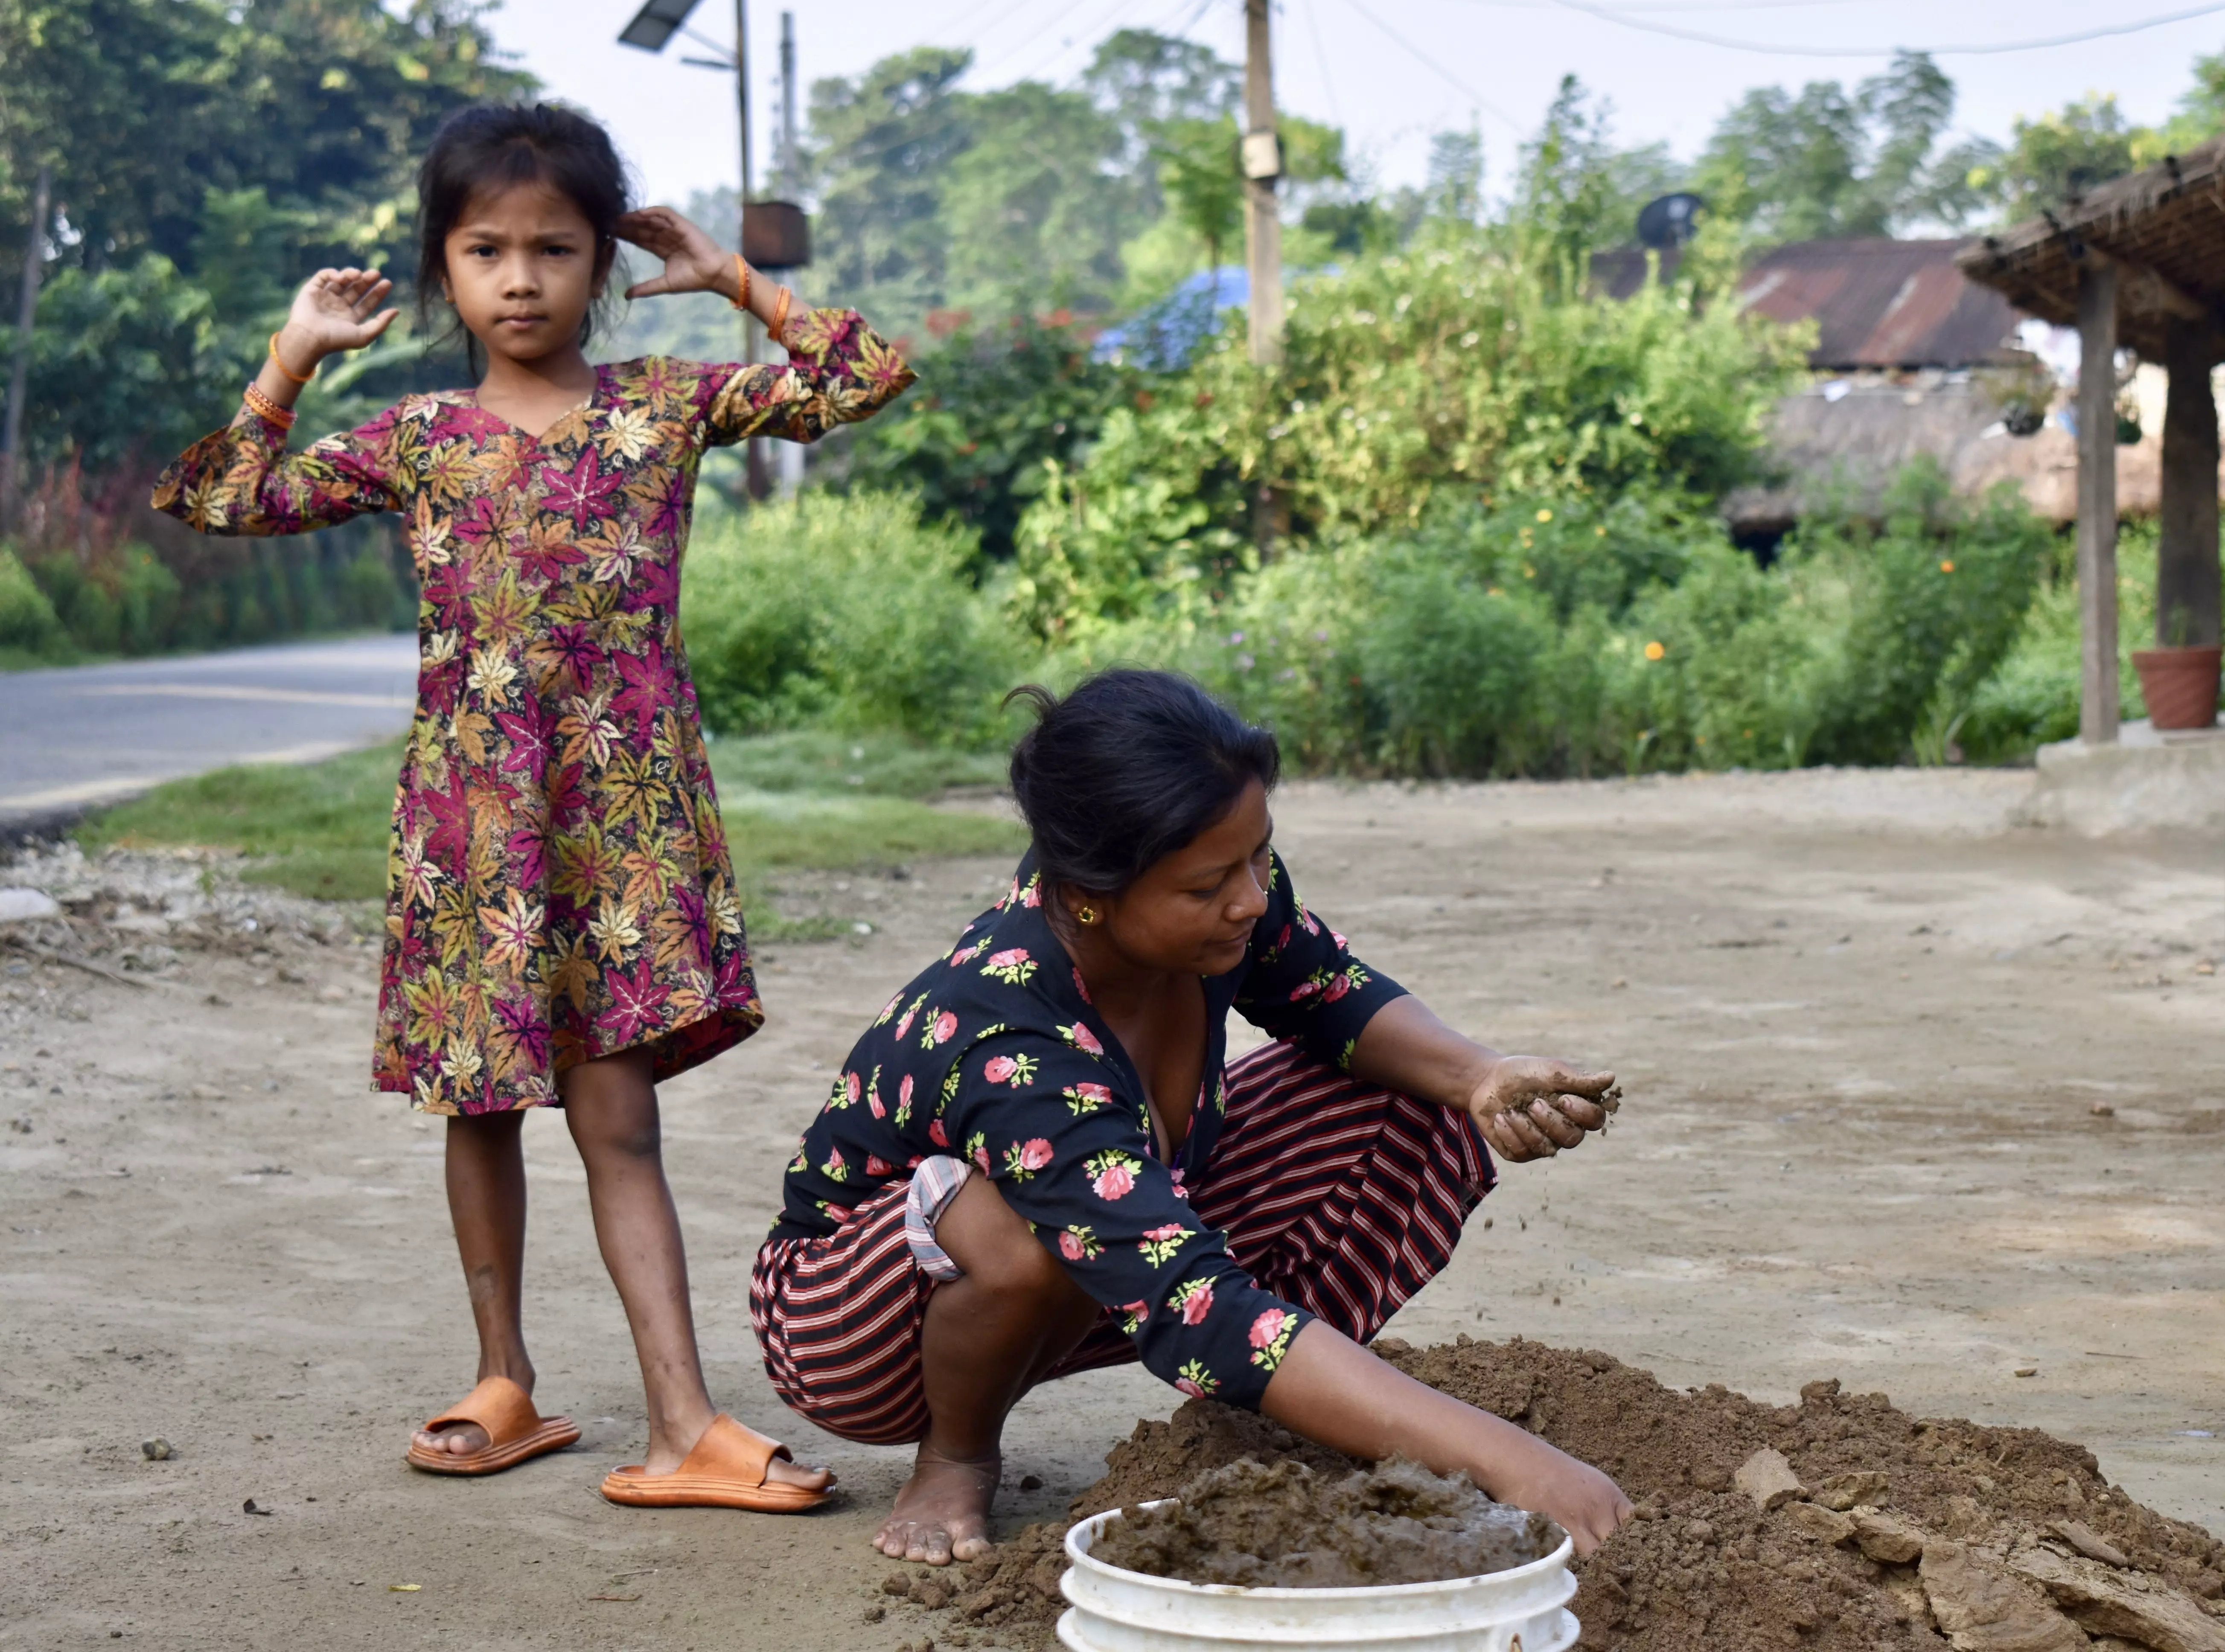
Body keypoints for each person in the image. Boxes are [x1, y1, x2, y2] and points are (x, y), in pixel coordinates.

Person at [150, 101, 913, 1511]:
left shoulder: (664, 404)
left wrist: (732, 278)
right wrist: (292, 354)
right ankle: (502, 1380)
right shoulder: (418, 437)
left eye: (556, 249)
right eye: (485, 249)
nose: (520, 279)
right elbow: (216, 499)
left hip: (621, 830)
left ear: (602, 263)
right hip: (471, 833)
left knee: (616, 1118)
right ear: (441, 266)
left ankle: (680, 1423)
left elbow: (865, 375)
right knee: (482, 1104)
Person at [751, 669, 1634, 1565]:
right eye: (1211, 882)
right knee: (1020, 1226)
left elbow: (1327, 993)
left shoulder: (1215, 898)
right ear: (1090, 891)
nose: (1250, 896)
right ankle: (956, 1455)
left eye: (1259, 856)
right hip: (855, 1324)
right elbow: (1190, 1301)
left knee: (1408, 1087)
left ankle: (1280, 1396)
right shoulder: (1008, 1035)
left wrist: (1481, 1075)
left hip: (1106, 1252)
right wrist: (1519, 1465)